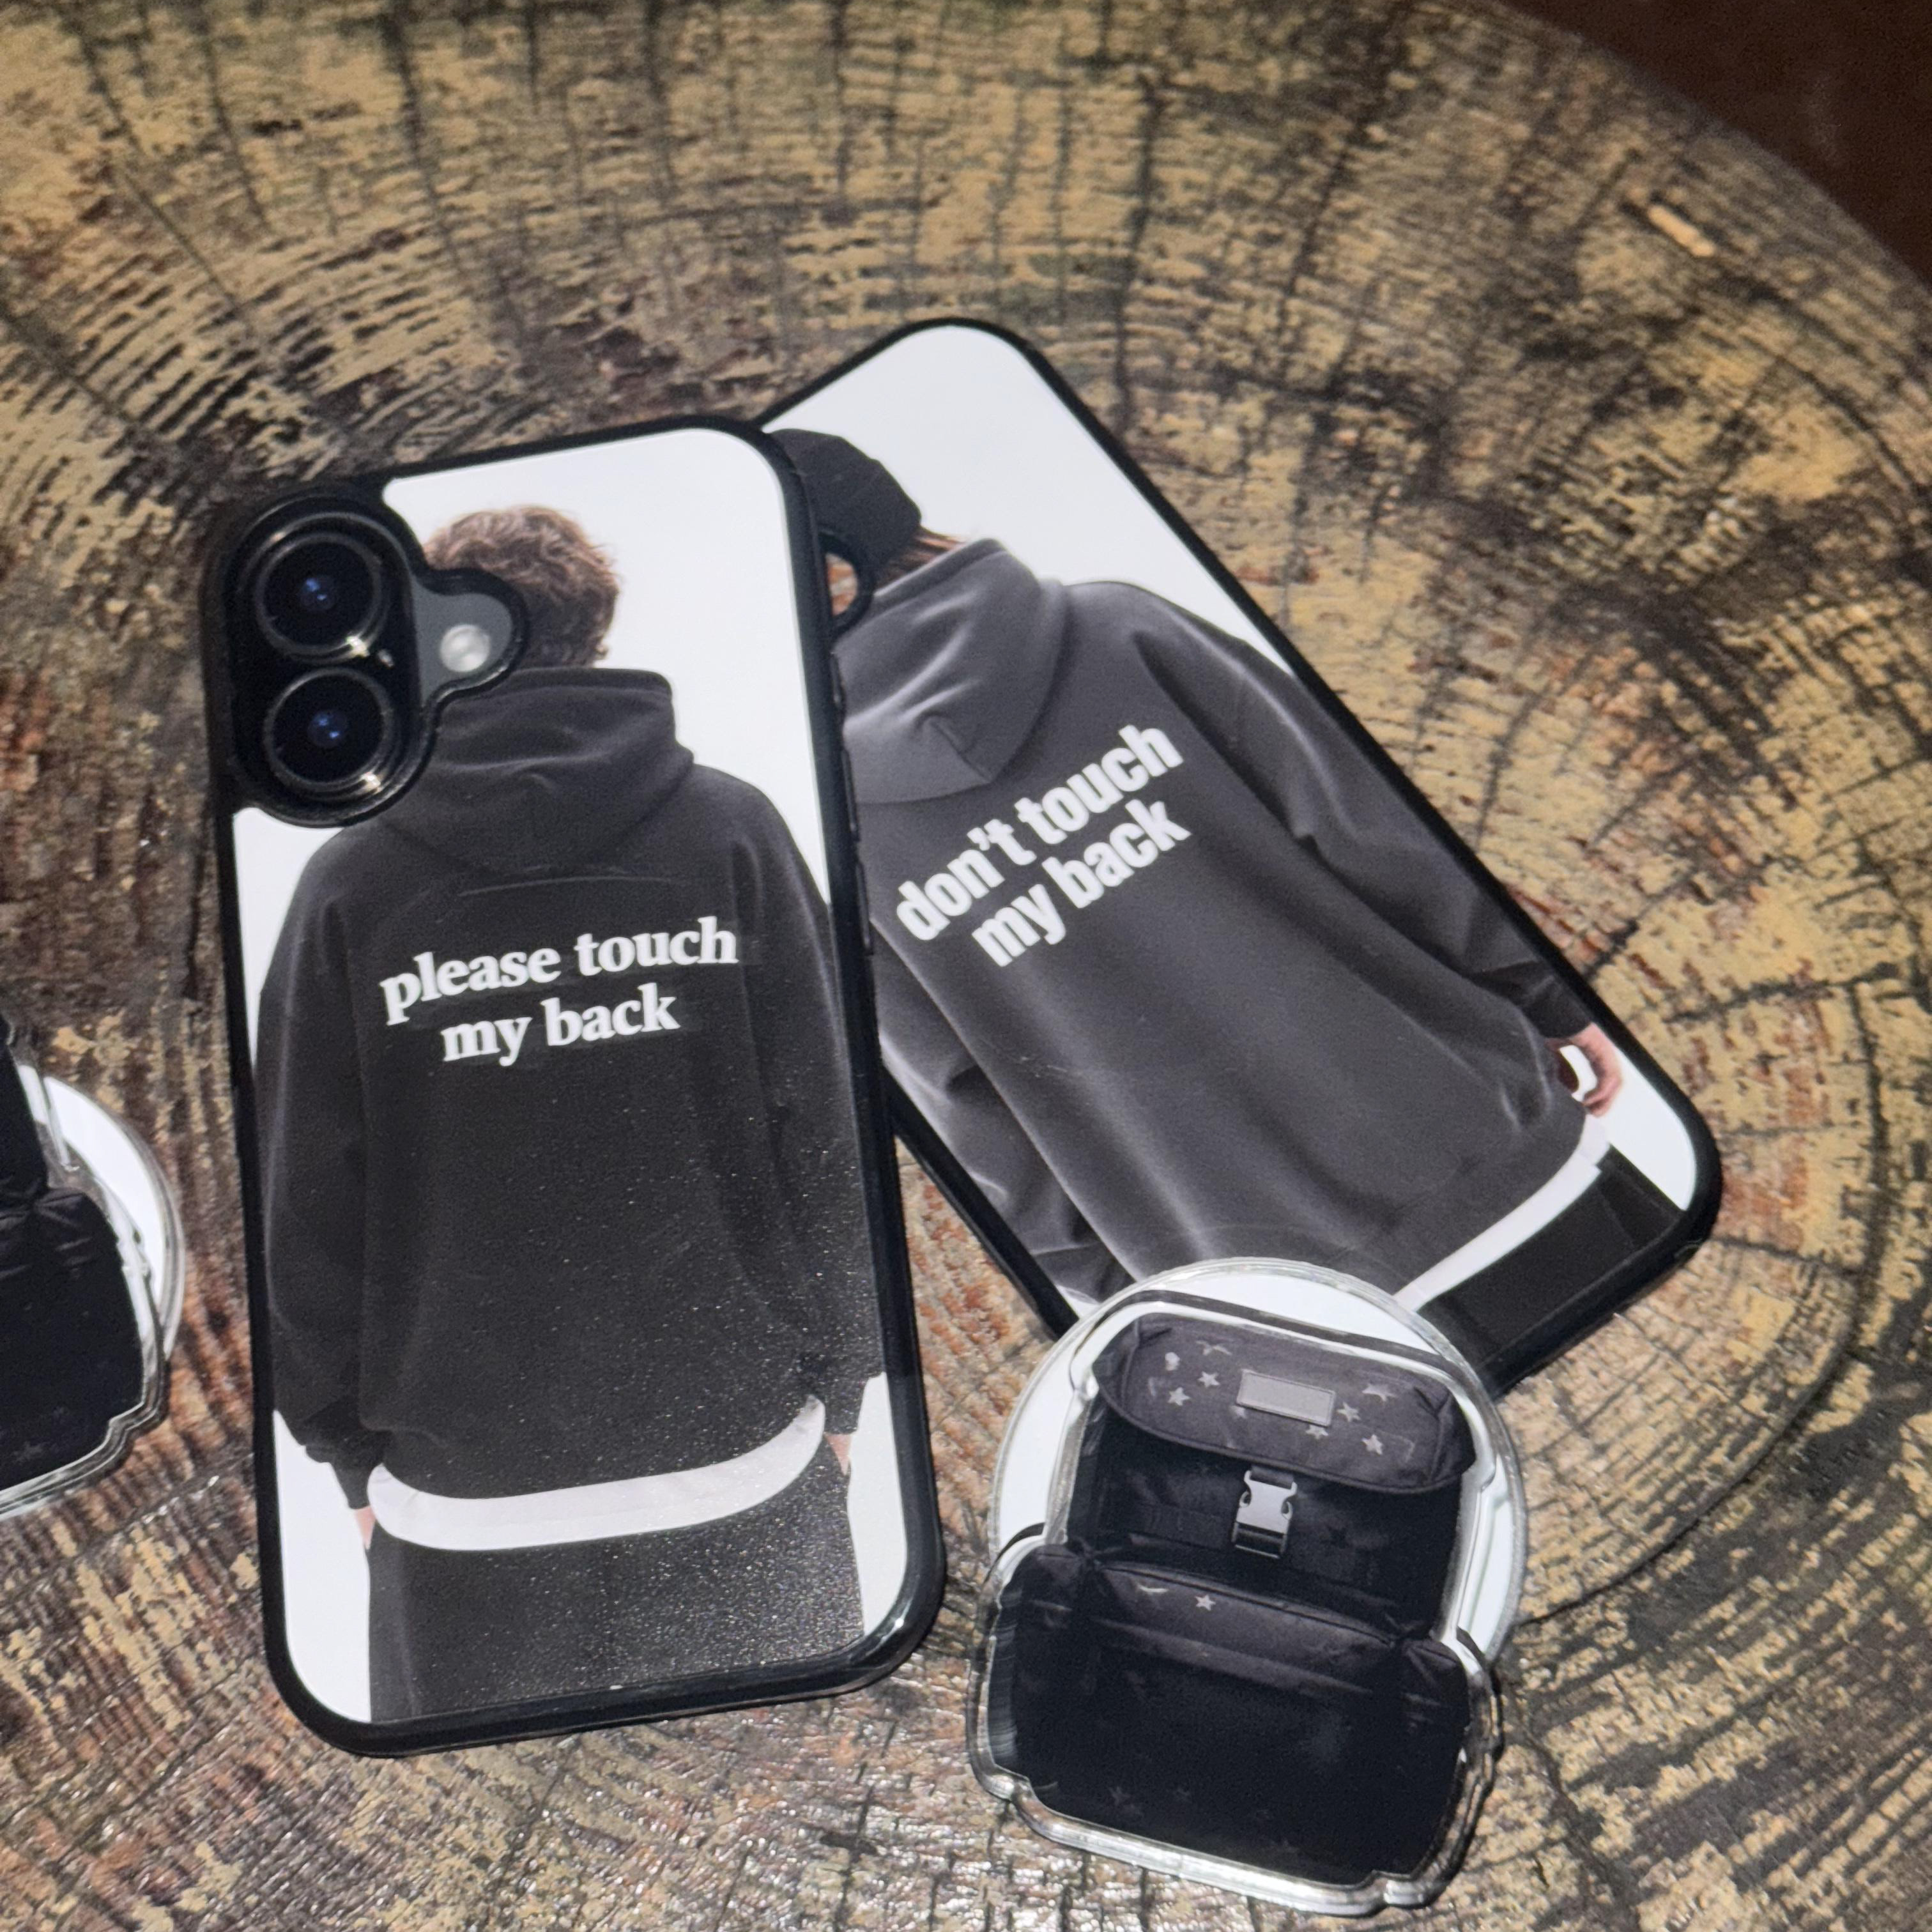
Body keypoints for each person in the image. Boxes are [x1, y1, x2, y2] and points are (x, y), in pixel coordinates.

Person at [776, 430, 1681, 1386]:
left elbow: (963, 1108)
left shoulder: (838, 840)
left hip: (1290, 1312)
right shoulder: (1119, 631)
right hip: (1500, 1161)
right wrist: (1546, 990)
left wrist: (1135, 1279)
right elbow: (1376, 830)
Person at [256, 505, 880, 1720]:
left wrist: (346, 1456)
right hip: (740, 1466)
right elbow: (830, 1134)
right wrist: (845, 1383)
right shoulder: (732, 832)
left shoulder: (351, 881)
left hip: (462, 1506)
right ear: (595, 633)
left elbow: (303, 1205)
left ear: (428, 638)